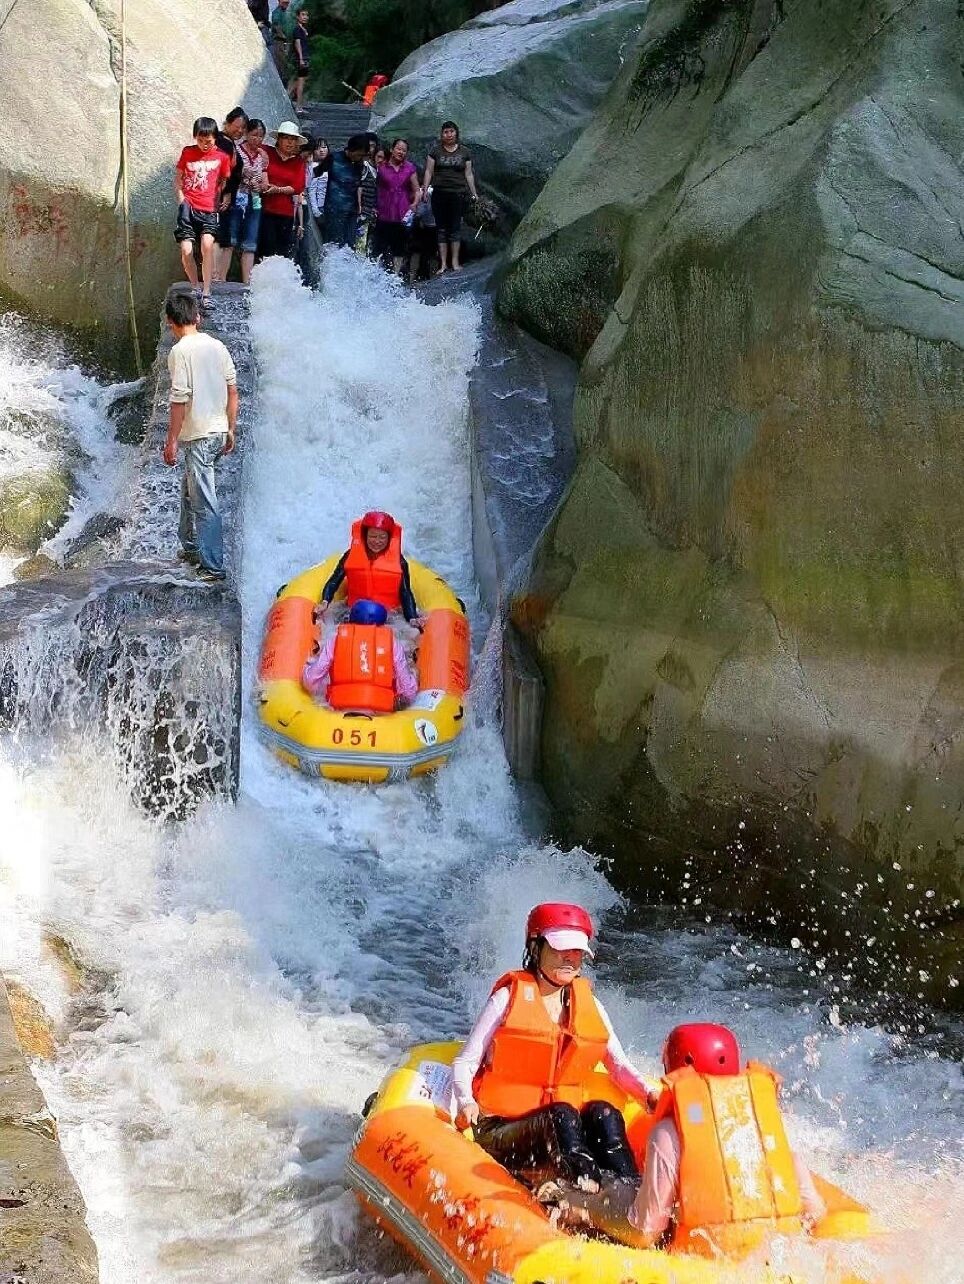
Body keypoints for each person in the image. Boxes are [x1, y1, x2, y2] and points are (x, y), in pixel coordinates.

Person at [549, 1023, 828, 1255]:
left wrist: (586, 1209)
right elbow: (813, 1212)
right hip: (772, 1256)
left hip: (699, 1259)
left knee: (613, 1191)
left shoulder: (669, 1133)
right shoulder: (758, 1121)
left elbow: (645, 1231)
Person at [451, 903, 652, 1192]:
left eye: (577, 952)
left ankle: (631, 1193)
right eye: (561, 950)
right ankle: (585, 1192)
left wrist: (649, 1096)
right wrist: (466, 1101)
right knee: (562, 1114)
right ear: (535, 948)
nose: (570, 959)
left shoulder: (590, 1005)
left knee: (603, 1112)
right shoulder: (506, 999)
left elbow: (618, 1066)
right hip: (502, 1129)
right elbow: (466, 1062)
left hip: (560, 1129)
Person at [162, 287, 238, 583]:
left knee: (205, 501)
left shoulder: (180, 352)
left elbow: (179, 399)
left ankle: (213, 566)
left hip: (200, 435)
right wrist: (230, 428)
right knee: (189, 489)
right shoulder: (217, 346)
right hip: (218, 430)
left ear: (171, 321)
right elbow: (233, 391)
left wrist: (170, 440)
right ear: (198, 317)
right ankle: (191, 547)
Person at [302, 599, 418, 713]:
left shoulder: (336, 639)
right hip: (380, 711)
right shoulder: (392, 643)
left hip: (340, 708)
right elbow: (408, 691)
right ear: (382, 624)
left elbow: (311, 680)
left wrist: (306, 671)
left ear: (351, 620)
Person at [313, 511, 419, 625]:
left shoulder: (400, 561)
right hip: (353, 610)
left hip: (390, 615)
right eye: (373, 536)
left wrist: (412, 618)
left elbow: (405, 592)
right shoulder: (350, 555)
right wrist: (325, 602)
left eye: (382, 537)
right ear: (365, 536)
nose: (377, 541)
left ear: (389, 539)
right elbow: (334, 581)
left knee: (413, 633)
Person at [174, 117, 233, 312]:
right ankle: (195, 287)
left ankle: (207, 292)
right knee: (186, 250)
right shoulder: (188, 152)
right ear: (195, 137)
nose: (204, 144)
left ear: (215, 138)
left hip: (208, 208)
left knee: (207, 244)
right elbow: (179, 178)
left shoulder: (222, 157)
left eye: (208, 140)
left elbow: (224, 181)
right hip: (188, 207)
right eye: (200, 140)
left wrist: (218, 199)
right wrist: (182, 199)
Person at [422, 121, 478, 274]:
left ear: (456, 133)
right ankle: (443, 264)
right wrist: (425, 189)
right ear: (442, 134)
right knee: (441, 228)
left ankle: (455, 262)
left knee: (455, 227)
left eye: (451, 131)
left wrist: (474, 193)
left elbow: (468, 174)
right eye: (446, 132)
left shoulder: (465, 152)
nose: (449, 134)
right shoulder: (435, 151)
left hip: (458, 193)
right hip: (440, 193)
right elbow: (428, 171)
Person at [220, 119, 269, 284]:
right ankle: (221, 279)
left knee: (250, 242)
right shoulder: (237, 150)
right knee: (230, 240)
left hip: (254, 200)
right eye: (254, 135)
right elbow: (230, 172)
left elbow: (265, 182)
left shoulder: (262, 156)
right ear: (247, 134)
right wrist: (243, 176)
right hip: (236, 198)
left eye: (261, 136)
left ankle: (247, 283)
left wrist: (260, 185)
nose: (258, 139)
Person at [260, 121, 308, 259]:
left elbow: (298, 186)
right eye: (286, 138)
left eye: (293, 139)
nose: (290, 142)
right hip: (265, 209)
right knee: (265, 249)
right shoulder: (267, 152)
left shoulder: (299, 162)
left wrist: (278, 190)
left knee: (282, 252)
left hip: (285, 212)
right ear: (279, 139)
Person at [214, 108, 251, 281]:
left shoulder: (229, 142)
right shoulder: (222, 142)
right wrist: (227, 192)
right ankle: (214, 277)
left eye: (244, 128)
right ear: (228, 123)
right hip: (220, 197)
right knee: (219, 237)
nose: (240, 131)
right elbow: (221, 170)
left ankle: (220, 278)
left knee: (226, 240)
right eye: (238, 126)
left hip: (226, 198)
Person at [374, 139, 419, 275]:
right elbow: (374, 187)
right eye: (399, 149)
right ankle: (376, 273)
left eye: (404, 150)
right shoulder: (381, 167)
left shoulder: (409, 168)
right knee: (379, 245)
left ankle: (395, 275)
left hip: (402, 212)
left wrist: (415, 203)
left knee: (399, 247)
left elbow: (417, 189)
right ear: (392, 149)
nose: (401, 152)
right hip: (384, 212)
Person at [322, 134, 366, 248]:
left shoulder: (359, 164)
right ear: (352, 149)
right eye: (359, 154)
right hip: (334, 209)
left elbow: (358, 185)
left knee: (350, 246)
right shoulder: (333, 158)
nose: (360, 157)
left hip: (352, 211)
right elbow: (317, 177)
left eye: (362, 155)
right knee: (334, 244)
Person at [288, 8, 310, 110]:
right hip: (301, 58)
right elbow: (298, 43)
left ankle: (287, 96)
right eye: (303, 15)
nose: (305, 17)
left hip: (305, 57)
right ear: (298, 17)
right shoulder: (297, 29)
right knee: (301, 82)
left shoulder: (303, 29)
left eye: (306, 15)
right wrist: (301, 58)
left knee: (300, 81)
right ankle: (298, 106)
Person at [307, 138, 330, 228]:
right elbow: (312, 189)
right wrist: (316, 210)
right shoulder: (313, 166)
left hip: (331, 206)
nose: (321, 150)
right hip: (321, 207)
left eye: (324, 147)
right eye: (318, 148)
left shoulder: (330, 165)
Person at [270, 0, 297, 76]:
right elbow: (276, 26)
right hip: (279, 42)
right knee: (282, 64)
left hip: (287, 42)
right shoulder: (277, 12)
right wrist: (284, 37)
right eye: (284, 1)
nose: (287, 2)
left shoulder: (288, 12)